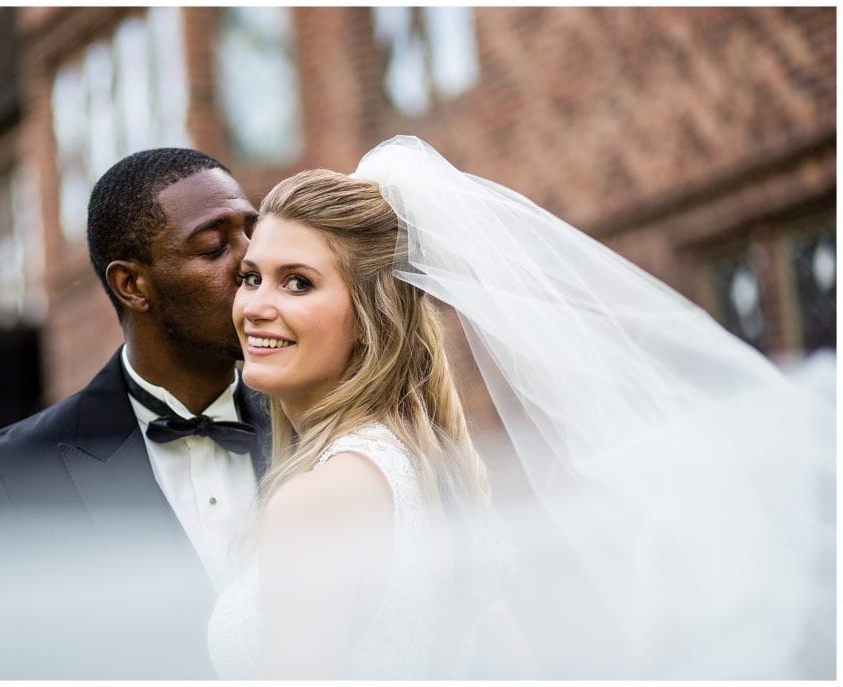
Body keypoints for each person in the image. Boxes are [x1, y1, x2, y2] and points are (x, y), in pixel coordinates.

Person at [207, 136, 835, 679]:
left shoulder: (322, 499)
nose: (255, 305)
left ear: (373, 321)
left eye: (298, 282)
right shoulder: (424, 471)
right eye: (251, 277)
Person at [0, 148, 269, 679]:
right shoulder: (16, 474)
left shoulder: (318, 424)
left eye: (253, 233)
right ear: (132, 285)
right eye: (215, 246)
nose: (250, 263)